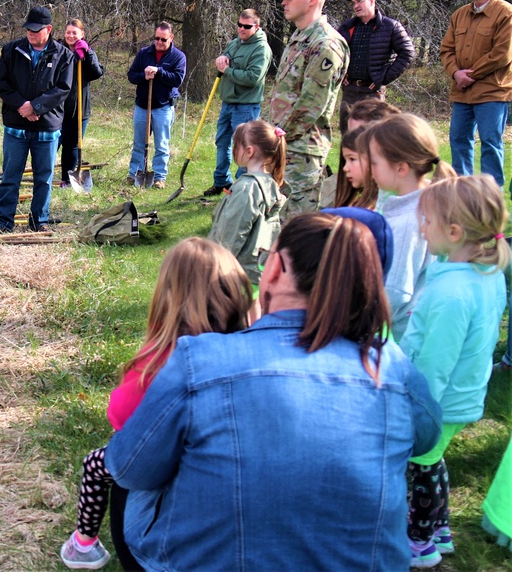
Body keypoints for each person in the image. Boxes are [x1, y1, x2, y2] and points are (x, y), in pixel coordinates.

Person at [103, 213, 442, 571]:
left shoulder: (197, 359)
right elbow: (427, 436)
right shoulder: (390, 363)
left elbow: (129, 469)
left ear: (276, 269)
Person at [58, 238, 253, 570]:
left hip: (163, 471)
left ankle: (84, 544)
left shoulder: (163, 362)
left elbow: (121, 416)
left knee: (99, 465)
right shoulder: (248, 354)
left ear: (169, 298)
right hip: (230, 490)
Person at [399, 175, 509, 568]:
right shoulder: (484, 276)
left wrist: (416, 405)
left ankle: (420, 541)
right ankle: (440, 527)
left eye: (426, 221)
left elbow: (435, 363)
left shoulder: (452, 294)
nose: (421, 228)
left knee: (421, 467)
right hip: (462, 393)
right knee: (434, 461)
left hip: (438, 401)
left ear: (454, 231)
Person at [365, 114, 456, 340]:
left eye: (374, 163)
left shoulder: (409, 223)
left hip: (401, 337)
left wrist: (356, 324)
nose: (370, 170)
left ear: (401, 169)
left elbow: (395, 292)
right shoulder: (421, 197)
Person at [269, 0, 349, 218]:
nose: (284, 1)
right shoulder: (300, 36)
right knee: (276, 222)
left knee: (296, 225)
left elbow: (310, 105)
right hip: (284, 145)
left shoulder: (325, 44)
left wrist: (278, 137)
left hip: (302, 150)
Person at [0, 5, 72, 231]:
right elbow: (2, 84)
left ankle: (39, 221)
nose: (31, 33)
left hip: (47, 127)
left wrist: (36, 107)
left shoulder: (63, 55)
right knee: (10, 176)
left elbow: (62, 89)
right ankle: (3, 221)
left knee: (44, 178)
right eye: (29, 29)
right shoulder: (11, 50)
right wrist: (22, 106)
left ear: (49, 29)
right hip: (15, 126)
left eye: (37, 30)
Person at [440, 0, 512, 187]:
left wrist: (470, 75)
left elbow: (502, 54)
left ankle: (492, 197)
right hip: (461, 92)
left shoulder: (506, 13)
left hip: (492, 91)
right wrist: (455, 73)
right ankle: (463, 194)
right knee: (459, 140)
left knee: (490, 142)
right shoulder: (459, 14)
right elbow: (446, 50)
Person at [206, 120, 286, 288]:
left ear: (249, 151)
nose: (233, 147)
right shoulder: (271, 182)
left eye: (236, 144)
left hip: (236, 276)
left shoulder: (246, 190)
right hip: (258, 273)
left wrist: (215, 270)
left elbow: (232, 234)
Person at [204, 9, 273, 196]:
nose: (241, 29)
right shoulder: (234, 44)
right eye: (239, 25)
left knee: (245, 147)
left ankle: (242, 187)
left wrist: (228, 71)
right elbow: (224, 59)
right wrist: (221, 58)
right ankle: (221, 182)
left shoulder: (261, 49)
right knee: (222, 142)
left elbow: (253, 78)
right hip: (227, 103)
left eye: (247, 26)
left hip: (246, 106)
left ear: (256, 27)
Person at [336, 0, 414, 132]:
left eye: (360, 1)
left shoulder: (390, 26)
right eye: (353, 3)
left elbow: (407, 52)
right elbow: (335, 53)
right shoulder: (347, 27)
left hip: (372, 93)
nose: (356, 6)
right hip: (349, 90)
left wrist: (382, 79)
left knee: (371, 136)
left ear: (372, 1)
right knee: (347, 138)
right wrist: (341, 75)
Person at [126, 21, 186, 188]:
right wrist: (144, 76)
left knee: (161, 144)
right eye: (156, 38)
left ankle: (159, 177)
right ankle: (135, 173)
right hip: (142, 106)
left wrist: (159, 72)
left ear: (171, 38)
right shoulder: (144, 53)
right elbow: (131, 75)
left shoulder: (178, 57)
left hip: (163, 106)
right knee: (139, 142)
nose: (159, 42)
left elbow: (177, 79)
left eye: (163, 39)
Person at [323, 99, 400, 208]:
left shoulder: (398, 195)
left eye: (359, 134)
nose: (351, 140)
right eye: (350, 133)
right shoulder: (342, 180)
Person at [59, 19, 104, 186]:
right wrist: (71, 57)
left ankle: (67, 180)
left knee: (72, 148)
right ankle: (44, 177)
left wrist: (88, 54)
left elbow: (97, 73)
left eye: (74, 33)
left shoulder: (87, 52)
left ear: (82, 35)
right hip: (59, 108)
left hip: (79, 109)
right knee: (52, 144)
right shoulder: (57, 50)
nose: (71, 36)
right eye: (68, 32)